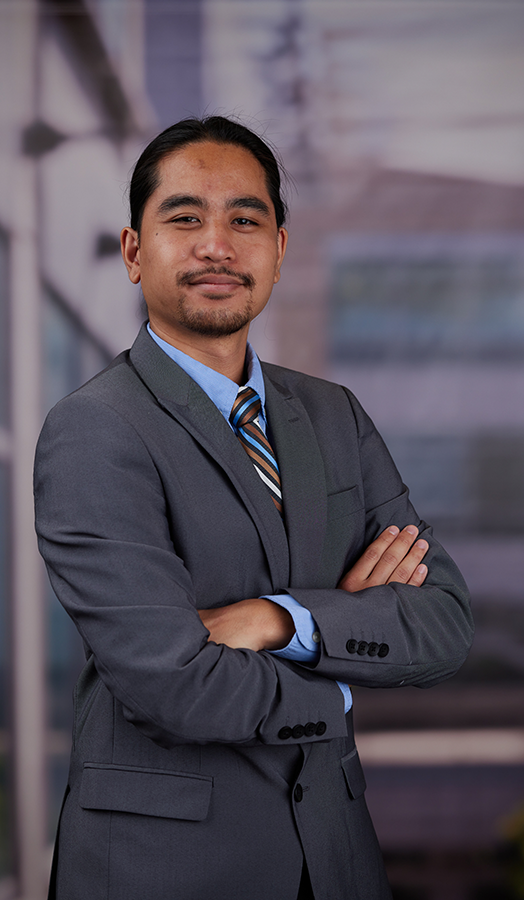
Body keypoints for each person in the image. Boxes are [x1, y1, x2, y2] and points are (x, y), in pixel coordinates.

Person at [34, 115, 473, 900]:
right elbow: (173, 684)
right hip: (165, 869)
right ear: (134, 252)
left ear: (278, 250)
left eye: (245, 219)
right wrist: (342, 666)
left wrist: (282, 619)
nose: (217, 245)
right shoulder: (95, 429)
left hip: (335, 858)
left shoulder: (334, 415)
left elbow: (442, 622)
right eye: (184, 218)